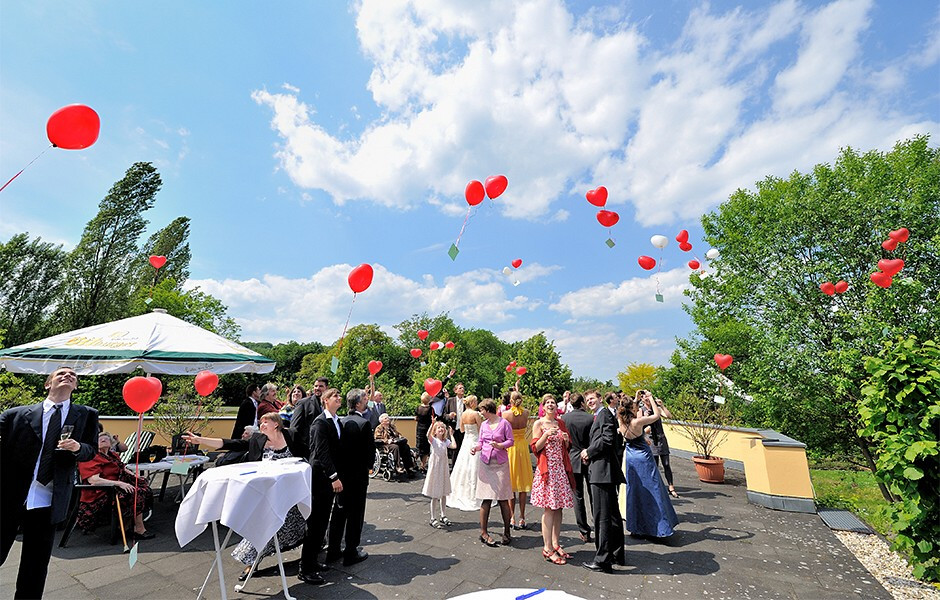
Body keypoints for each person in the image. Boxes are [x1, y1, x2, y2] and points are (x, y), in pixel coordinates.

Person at [0, 366, 98, 600]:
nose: (68, 376)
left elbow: (91, 450)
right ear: (48, 383)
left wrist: (78, 448)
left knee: (35, 566)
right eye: (61, 374)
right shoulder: (14, 415)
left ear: (75, 386)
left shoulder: (86, 414)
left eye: (72, 376)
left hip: (49, 499)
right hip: (10, 496)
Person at [182, 413, 305, 581]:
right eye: (260, 422)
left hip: (291, 492)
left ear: (276, 424)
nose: (261, 425)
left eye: (265, 422)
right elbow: (231, 443)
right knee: (265, 524)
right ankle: (252, 561)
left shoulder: (291, 435)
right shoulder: (257, 440)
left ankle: (308, 550)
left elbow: (308, 452)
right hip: (267, 493)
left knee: (296, 522)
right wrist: (202, 440)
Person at [297, 387, 345, 586]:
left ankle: (314, 561)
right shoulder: (320, 423)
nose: (339, 398)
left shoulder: (336, 421)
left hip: (328, 480)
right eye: (335, 396)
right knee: (315, 524)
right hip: (320, 480)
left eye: (339, 395)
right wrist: (334, 476)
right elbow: (321, 453)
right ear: (326, 400)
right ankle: (305, 568)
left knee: (322, 522)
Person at [620, 392, 679, 538]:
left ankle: (636, 526)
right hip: (644, 458)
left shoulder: (621, 421)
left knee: (635, 491)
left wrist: (634, 398)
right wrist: (651, 398)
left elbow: (627, 407)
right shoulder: (637, 422)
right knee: (653, 489)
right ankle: (659, 527)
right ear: (632, 409)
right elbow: (657, 416)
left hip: (630, 458)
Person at [77, 431, 155, 540]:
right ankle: (139, 529)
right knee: (135, 493)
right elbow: (94, 480)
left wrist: (135, 476)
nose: (103, 440)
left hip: (114, 489)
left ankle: (124, 526)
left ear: (111, 443)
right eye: (100, 439)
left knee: (144, 489)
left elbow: (122, 468)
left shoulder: (112, 455)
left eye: (106, 439)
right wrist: (120, 483)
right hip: (99, 493)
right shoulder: (91, 456)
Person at [580, 388, 625, 573]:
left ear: (600, 399)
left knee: (602, 517)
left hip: (602, 472)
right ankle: (616, 554)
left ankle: (602, 560)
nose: (590, 401)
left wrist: (588, 451)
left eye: (592, 398)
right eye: (587, 399)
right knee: (613, 516)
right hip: (604, 472)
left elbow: (607, 440)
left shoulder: (604, 414)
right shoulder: (601, 415)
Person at [326, 389, 373, 567]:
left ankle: (333, 550)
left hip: (341, 476)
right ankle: (351, 552)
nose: (367, 400)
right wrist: (368, 467)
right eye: (365, 399)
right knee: (355, 515)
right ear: (358, 404)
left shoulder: (340, 421)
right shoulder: (364, 423)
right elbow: (370, 454)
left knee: (339, 513)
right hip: (358, 478)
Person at [530, 394, 575, 565]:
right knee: (549, 509)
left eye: (553, 403)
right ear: (543, 406)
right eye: (547, 403)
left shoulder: (561, 423)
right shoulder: (539, 424)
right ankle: (547, 548)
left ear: (557, 407)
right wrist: (546, 434)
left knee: (559, 508)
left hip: (560, 470)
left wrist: (566, 440)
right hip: (547, 470)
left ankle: (556, 544)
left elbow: (568, 446)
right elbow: (535, 448)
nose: (551, 405)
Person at [471, 399, 514, 547]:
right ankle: (483, 532)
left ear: (488, 409)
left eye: (482, 410)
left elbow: (511, 441)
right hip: (486, 464)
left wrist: (500, 445)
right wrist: (475, 448)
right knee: (486, 498)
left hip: (500, 464)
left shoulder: (504, 423)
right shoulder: (483, 425)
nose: (480, 413)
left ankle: (507, 532)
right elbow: (481, 442)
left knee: (503, 499)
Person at [561, 391, 595, 543]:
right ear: (582, 403)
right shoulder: (591, 418)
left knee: (577, 496)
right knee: (594, 495)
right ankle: (598, 525)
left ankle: (584, 530)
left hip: (573, 460)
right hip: (589, 459)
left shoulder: (564, 418)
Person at [639, 391, 679, 498]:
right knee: (654, 465)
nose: (646, 399)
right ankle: (655, 488)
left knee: (666, 464)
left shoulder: (656, 408)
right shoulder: (641, 410)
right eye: (644, 397)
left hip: (661, 439)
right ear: (642, 399)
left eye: (648, 397)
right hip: (651, 440)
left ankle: (671, 487)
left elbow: (669, 416)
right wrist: (645, 418)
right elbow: (639, 427)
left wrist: (662, 405)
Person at [447, 395, 483, 511]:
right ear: (472, 403)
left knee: (463, 464)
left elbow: (462, 430)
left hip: (466, 441)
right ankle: (476, 493)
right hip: (475, 440)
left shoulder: (463, 414)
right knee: (475, 465)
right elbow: (481, 429)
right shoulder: (475, 414)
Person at [503, 391, 533, 530]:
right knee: (522, 484)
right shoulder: (526, 413)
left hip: (512, 448)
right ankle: (522, 517)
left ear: (510, 400)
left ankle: (512, 517)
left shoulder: (506, 414)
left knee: (511, 483)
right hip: (523, 448)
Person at [422, 421, 456, 528]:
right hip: (436, 469)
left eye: (442, 427)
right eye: (439, 428)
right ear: (435, 432)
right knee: (435, 494)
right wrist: (432, 425)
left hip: (443, 468)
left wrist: (451, 435)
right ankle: (433, 517)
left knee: (444, 493)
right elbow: (428, 435)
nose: (441, 429)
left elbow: (454, 446)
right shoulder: (434, 441)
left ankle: (443, 514)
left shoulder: (445, 441)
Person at [288, 377, 327, 458]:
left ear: (327, 388)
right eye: (316, 386)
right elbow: (294, 428)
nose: (317, 388)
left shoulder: (329, 404)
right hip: (309, 450)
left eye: (321, 386)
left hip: (325, 448)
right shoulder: (304, 403)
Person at [444, 382, 468, 455]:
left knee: (464, 451)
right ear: (455, 391)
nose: (462, 389)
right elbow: (443, 415)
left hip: (464, 430)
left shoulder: (466, 401)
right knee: (454, 452)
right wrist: (449, 416)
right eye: (460, 388)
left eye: (463, 388)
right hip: (453, 429)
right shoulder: (450, 401)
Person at [415, 392, 434, 471]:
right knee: (426, 448)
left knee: (419, 446)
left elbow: (416, 418)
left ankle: (414, 461)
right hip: (427, 429)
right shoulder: (430, 409)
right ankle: (423, 465)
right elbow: (433, 419)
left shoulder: (418, 408)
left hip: (419, 428)